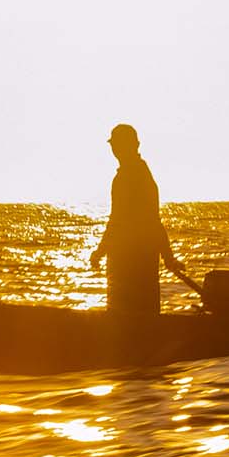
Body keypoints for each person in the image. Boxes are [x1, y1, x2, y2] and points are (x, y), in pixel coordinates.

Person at [90, 124, 202, 317]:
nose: (115, 149)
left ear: (135, 145)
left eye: (119, 144)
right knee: (137, 317)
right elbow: (140, 220)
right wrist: (167, 256)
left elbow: (136, 220)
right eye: (114, 145)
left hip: (131, 263)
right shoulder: (134, 174)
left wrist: (100, 250)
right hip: (132, 260)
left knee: (129, 319)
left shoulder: (134, 177)